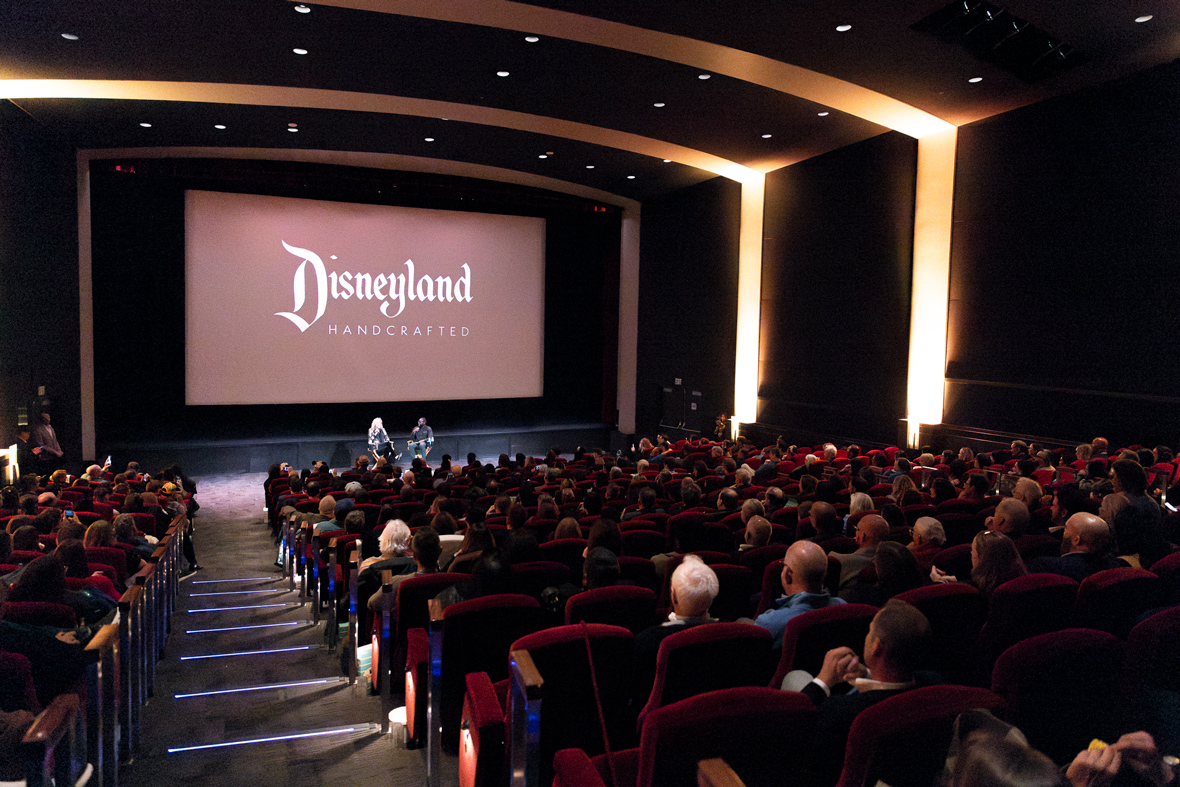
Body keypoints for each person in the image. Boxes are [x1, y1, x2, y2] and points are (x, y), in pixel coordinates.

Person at [753, 540, 844, 649]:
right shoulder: (844, 607)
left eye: (783, 566)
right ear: (825, 574)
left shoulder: (769, 622)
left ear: (787, 574)